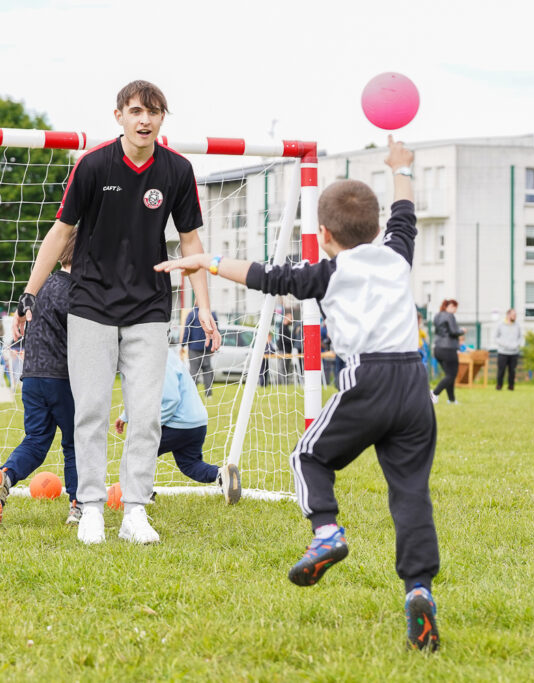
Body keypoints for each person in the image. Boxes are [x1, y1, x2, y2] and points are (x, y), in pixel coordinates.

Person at [156, 136, 441, 651]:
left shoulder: (328, 273)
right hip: (415, 389)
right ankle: (418, 589)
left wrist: (206, 263)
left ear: (324, 234)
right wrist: (403, 168)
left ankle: (327, 533)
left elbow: (267, 277)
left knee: (308, 455)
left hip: (369, 380)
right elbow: (406, 212)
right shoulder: (398, 255)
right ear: (377, 230)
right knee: (411, 494)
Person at [17, 80, 220, 546]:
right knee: (90, 410)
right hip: (90, 305)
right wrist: (29, 295)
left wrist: (204, 307)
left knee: (146, 415)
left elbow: (191, 243)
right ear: (119, 116)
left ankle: (134, 511)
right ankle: (89, 509)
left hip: (149, 307)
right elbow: (60, 231)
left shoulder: (177, 171)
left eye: (153, 112)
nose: (144, 119)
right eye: (135, 111)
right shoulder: (92, 165)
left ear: (163, 119)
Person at [0, 234, 81, 527]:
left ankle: (5, 476)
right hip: (60, 376)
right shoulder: (74, 291)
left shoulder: (41, 286)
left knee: (37, 440)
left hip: (32, 377)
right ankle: (78, 505)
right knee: (75, 442)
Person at [114, 348, 241, 501]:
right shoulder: (162, 354)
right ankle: (221, 474)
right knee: (190, 464)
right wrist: (126, 415)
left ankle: (142, 495)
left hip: (179, 422)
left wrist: (148, 425)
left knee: (138, 450)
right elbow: (141, 392)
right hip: (196, 423)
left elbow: (171, 399)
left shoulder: (159, 357)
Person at [182, 306, 218, 397]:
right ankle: (208, 394)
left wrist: (183, 344)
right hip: (206, 347)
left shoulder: (192, 314)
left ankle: (192, 394)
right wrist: (214, 346)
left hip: (194, 348)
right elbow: (216, 330)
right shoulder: (211, 314)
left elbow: (187, 329)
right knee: (207, 370)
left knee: (194, 371)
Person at [432, 299, 464, 404]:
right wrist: (462, 331)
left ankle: (451, 399)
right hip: (448, 348)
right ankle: (434, 393)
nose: (455, 309)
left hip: (438, 349)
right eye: (454, 307)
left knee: (448, 375)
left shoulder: (437, 316)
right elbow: (454, 331)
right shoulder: (449, 316)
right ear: (448, 307)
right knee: (452, 375)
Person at [494, 308, 521, 391]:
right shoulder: (500, 325)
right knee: (501, 370)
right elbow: (496, 337)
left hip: (514, 352)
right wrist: (503, 344)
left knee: (512, 371)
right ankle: (499, 385)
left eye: (515, 315)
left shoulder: (517, 325)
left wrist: (516, 345)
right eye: (513, 315)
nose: (515, 316)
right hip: (503, 352)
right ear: (508, 315)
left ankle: (511, 386)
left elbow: (520, 337)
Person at [276, 310, 296, 385]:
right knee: (282, 368)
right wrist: (292, 340)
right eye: (291, 318)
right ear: (287, 318)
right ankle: (282, 383)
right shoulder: (282, 327)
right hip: (282, 351)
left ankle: (284, 383)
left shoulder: (287, 327)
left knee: (285, 368)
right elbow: (283, 339)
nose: (292, 320)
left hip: (287, 351)